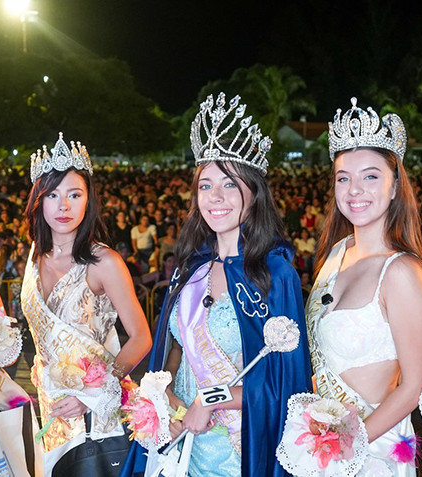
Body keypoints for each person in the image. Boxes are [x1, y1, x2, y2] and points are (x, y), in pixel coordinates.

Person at [122, 93, 312, 477]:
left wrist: (209, 401)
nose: (216, 198)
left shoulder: (275, 275)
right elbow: (172, 355)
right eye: (206, 186)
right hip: (183, 442)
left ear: (254, 192)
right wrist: (168, 401)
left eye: (229, 184)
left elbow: (284, 386)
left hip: (240, 448)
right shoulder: (190, 269)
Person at [307, 98, 422, 476]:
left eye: (371, 176)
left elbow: (414, 385)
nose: (354, 189)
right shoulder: (335, 253)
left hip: (372, 449)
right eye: (343, 177)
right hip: (320, 442)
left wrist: (351, 438)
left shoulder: (403, 273)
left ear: (396, 187)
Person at [20, 133, 151, 473]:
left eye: (74, 194)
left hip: (97, 415)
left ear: (88, 200)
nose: (63, 206)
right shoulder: (34, 257)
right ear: (39, 201)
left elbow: (140, 337)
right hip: (52, 408)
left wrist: (94, 395)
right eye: (53, 195)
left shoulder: (103, 261)